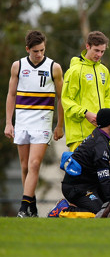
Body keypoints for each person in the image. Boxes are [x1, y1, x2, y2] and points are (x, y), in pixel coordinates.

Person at [4, 30, 65, 217]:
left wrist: (59, 125)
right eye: (36, 51)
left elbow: (61, 98)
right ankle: (31, 205)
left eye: (42, 50)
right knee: (25, 167)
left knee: (35, 163)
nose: (39, 54)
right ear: (27, 49)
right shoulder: (18, 66)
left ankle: (23, 208)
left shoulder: (54, 67)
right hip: (22, 120)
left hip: (43, 121)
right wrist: (9, 122)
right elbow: (11, 94)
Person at [61, 108, 110, 214]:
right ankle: (62, 211)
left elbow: (106, 167)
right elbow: (104, 178)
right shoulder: (100, 144)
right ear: (107, 123)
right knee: (100, 213)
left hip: (90, 183)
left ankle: (103, 205)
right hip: (77, 188)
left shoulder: (101, 137)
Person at [62, 31, 110, 151]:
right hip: (80, 136)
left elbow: (107, 97)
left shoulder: (104, 70)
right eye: (96, 50)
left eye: (102, 51)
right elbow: (66, 100)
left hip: (102, 134)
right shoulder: (74, 71)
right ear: (87, 46)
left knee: (102, 170)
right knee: (83, 170)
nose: (99, 54)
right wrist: (85, 113)